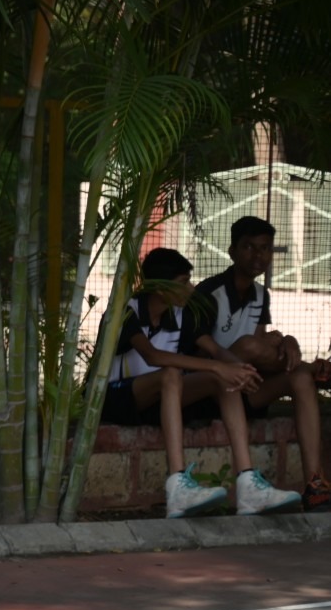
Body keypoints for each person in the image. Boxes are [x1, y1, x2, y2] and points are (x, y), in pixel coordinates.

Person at [99, 247, 300, 518]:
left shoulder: (181, 314)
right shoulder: (126, 311)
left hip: (160, 400)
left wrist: (240, 370)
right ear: (160, 287)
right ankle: (177, 487)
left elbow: (215, 350)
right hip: (115, 399)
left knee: (220, 379)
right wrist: (216, 366)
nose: (191, 289)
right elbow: (153, 356)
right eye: (184, 282)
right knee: (172, 373)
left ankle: (248, 485)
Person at [191, 216, 331, 511]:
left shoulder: (260, 294)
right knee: (249, 345)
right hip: (209, 390)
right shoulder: (209, 292)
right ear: (232, 251)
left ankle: (315, 485)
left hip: (247, 387)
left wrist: (287, 340)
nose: (258, 256)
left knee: (300, 380)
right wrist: (275, 345)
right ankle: (312, 367)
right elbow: (201, 353)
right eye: (249, 247)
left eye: (265, 248)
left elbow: (261, 354)